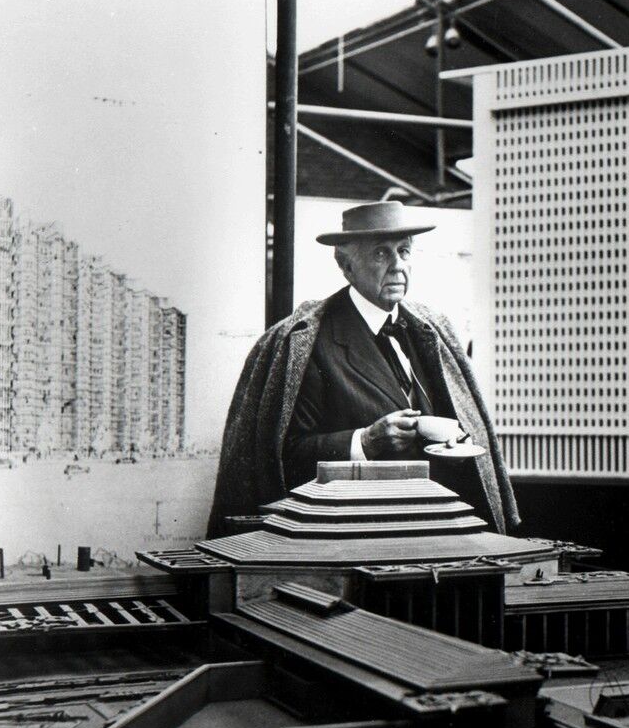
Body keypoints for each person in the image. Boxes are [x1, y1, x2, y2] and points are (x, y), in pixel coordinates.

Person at [208, 201, 520, 538]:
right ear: (345, 264)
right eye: (381, 254)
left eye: (404, 251)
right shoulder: (308, 342)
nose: (398, 265)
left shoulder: (431, 331)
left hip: (437, 529)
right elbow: (284, 457)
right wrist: (365, 441)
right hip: (353, 535)